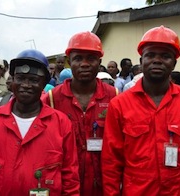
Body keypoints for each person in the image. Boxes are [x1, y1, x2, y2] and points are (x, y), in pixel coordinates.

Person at [102, 25, 180, 195]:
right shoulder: (119, 104)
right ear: (141, 62)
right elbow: (111, 162)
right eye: (150, 55)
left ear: (174, 64)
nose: (157, 60)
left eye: (165, 56)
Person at [0, 49, 80, 195]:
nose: (26, 85)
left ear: (44, 84)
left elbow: (70, 178)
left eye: (34, 80)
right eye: (20, 78)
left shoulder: (61, 124)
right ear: (12, 81)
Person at [42, 31, 117, 196]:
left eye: (91, 58)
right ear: (69, 62)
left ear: (99, 62)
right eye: (78, 59)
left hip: (104, 185)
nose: (84, 64)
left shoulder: (115, 96)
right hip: (66, 185)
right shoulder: (52, 99)